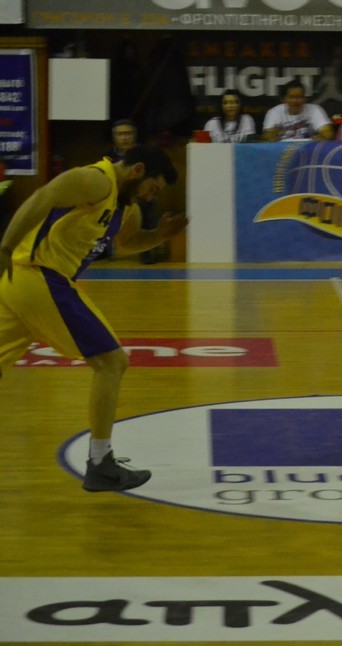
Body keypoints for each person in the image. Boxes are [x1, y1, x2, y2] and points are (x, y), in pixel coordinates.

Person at [0, 145, 188, 492]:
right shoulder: (96, 180)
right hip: (41, 276)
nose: (151, 197)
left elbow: (124, 244)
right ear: (138, 170)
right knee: (112, 362)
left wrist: (159, 237)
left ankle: (102, 464)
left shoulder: (125, 207)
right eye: (153, 188)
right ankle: (101, 463)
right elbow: (42, 197)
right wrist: (5, 247)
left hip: (20, 286)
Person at [104, 119, 164, 264]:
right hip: (118, 196)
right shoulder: (108, 156)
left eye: (128, 133)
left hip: (141, 195)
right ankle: (105, 250)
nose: (124, 137)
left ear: (134, 135)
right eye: (120, 134)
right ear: (114, 137)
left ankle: (147, 251)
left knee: (149, 206)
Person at [262, 79, 334, 142]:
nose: (296, 101)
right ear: (283, 100)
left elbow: (327, 132)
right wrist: (271, 135)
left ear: (305, 99)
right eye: (291, 97)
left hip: (309, 149)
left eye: (300, 97)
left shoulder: (315, 109)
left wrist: (323, 137)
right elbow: (267, 136)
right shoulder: (274, 112)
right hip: (282, 150)